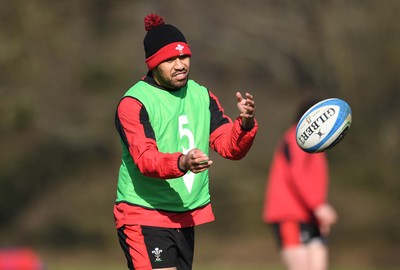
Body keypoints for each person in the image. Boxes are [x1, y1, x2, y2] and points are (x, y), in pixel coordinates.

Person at [114, 13, 258, 270]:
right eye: (170, 59)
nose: (180, 64)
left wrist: (245, 124)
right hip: (144, 213)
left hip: (185, 217)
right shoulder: (134, 103)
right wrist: (182, 162)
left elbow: (229, 146)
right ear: (153, 63)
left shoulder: (202, 95)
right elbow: (145, 160)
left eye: (184, 56)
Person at [262, 98, 338, 270]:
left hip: (310, 215)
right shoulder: (299, 138)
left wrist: (317, 210)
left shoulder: (317, 144)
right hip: (290, 215)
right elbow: (297, 174)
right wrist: (318, 206)